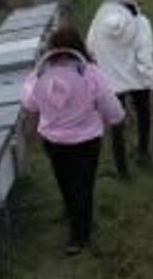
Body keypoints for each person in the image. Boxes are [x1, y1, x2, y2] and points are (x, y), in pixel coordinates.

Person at [20, 27, 124, 256]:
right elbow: (110, 104)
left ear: (52, 49)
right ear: (79, 47)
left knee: (64, 179)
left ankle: (72, 213)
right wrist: (116, 118)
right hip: (86, 141)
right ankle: (79, 235)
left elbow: (28, 102)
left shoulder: (40, 73)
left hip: (53, 141)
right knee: (84, 185)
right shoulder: (89, 72)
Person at [86, 0, 153, 178]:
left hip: (111, 80)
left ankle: (122, 169)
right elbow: (145, 56)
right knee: (143, 113)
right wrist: (152, 82)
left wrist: (104, 67)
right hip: (137, 79)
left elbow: (91, 47)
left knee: (116, 124)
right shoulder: (141, 22)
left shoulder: (98, 21)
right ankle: (143, 152)